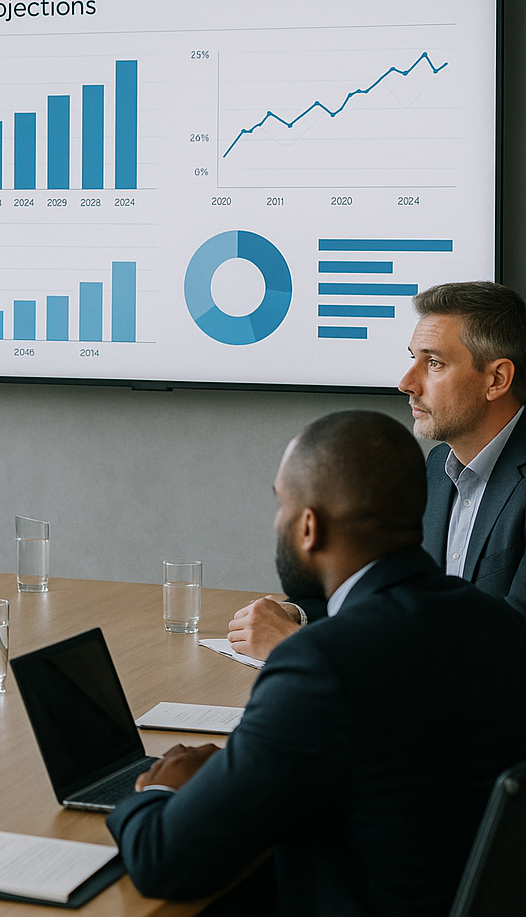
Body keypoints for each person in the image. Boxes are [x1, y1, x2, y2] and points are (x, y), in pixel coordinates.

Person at [108, 411, 526, 916]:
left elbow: (164, 860)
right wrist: (241, 774)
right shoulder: (496, 623)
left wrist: (154, 789)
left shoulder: (322, 665)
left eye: (281, 505)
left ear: (308, 526)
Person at [227, 280, 526, 660]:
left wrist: (295, 648)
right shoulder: (438, 467)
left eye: (433, 363)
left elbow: (512, 652)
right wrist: (299, 616)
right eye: (412, 359)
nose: (406, 383)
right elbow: (389, 594)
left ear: (496, 379)